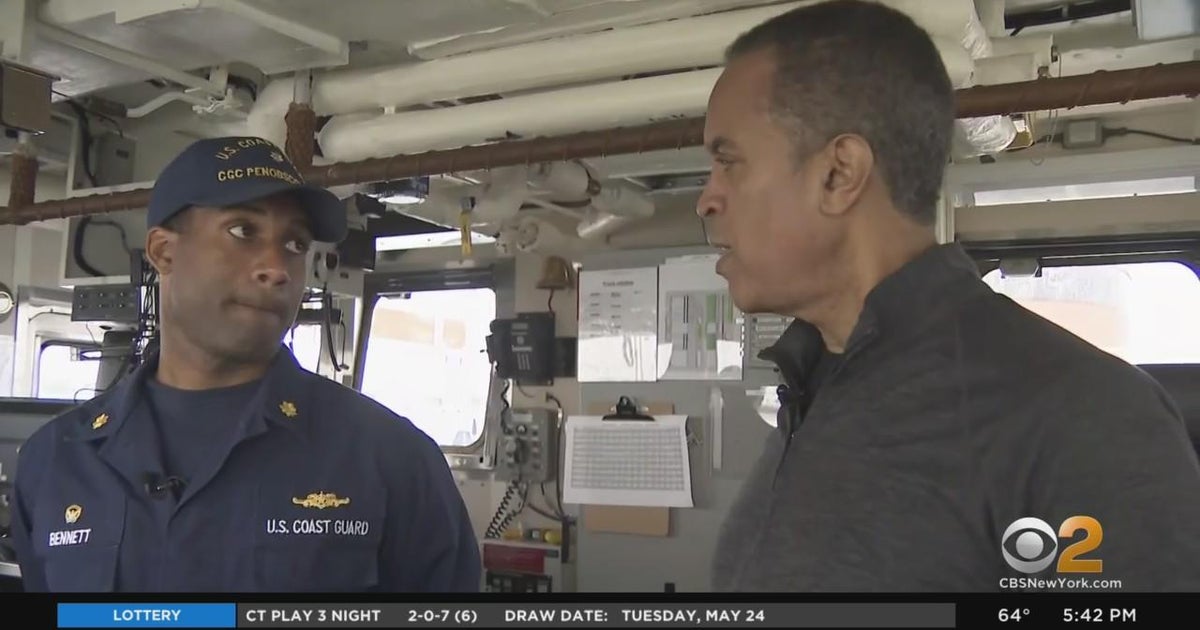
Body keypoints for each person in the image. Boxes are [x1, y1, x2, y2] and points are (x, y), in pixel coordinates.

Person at [698, 0, 1200, 591]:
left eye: (727, 163)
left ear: (839, 174)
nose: (706, 199)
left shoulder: (1084, 422)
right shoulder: (812, 389)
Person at [11, 136, 481, 592]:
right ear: (164, 251)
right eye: (243, 231)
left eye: (296, 244)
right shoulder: (55, 461)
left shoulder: (393, 461)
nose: (276, 266)